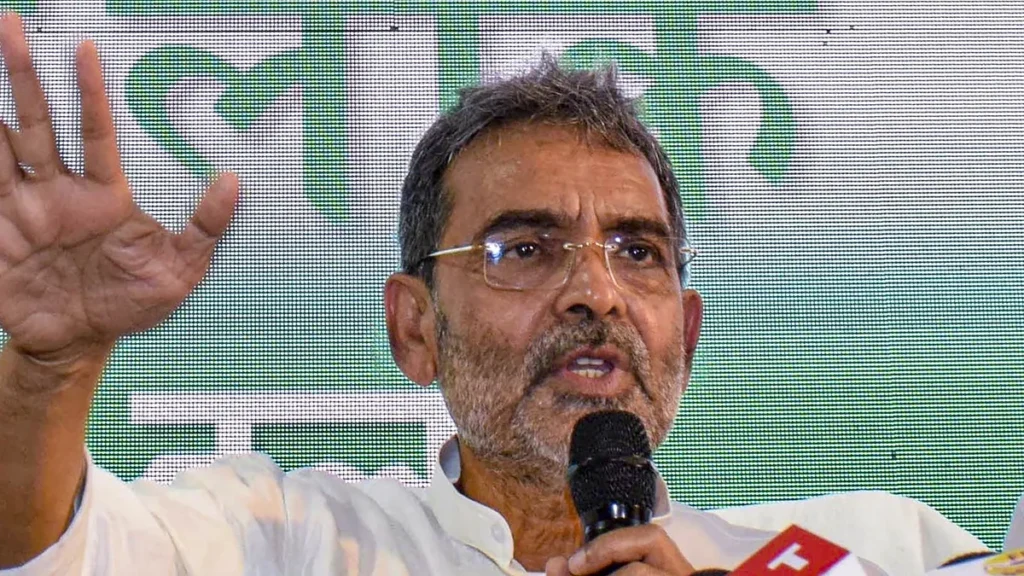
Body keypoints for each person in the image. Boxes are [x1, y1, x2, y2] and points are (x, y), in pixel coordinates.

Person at [0, 12, 985, 576]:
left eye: (638, 252)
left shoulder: (860, 549)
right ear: (414, 329)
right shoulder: (296, 540)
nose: (595, 291)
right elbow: (49, 549)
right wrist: (54, 364)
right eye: (525, 248)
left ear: (685, 331)